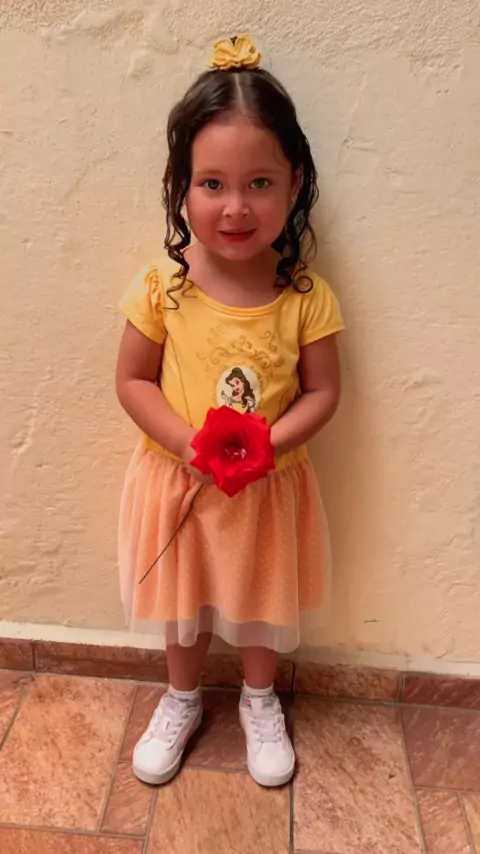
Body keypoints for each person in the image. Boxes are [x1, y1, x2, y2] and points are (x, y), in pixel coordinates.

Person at [116, 34, 345, 789]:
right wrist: (190, 445)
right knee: (184, 599)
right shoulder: (165, 285)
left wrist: (268, 446)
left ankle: (258, 698)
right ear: (180, 185)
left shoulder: (305, 297)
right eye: (212, 183)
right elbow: (132, 380)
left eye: (259, 183)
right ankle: (181, 698)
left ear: (295, 182)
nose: (236, 206)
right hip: (182, 482)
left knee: (258, 599)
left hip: (266, 487)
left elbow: (323, 392)